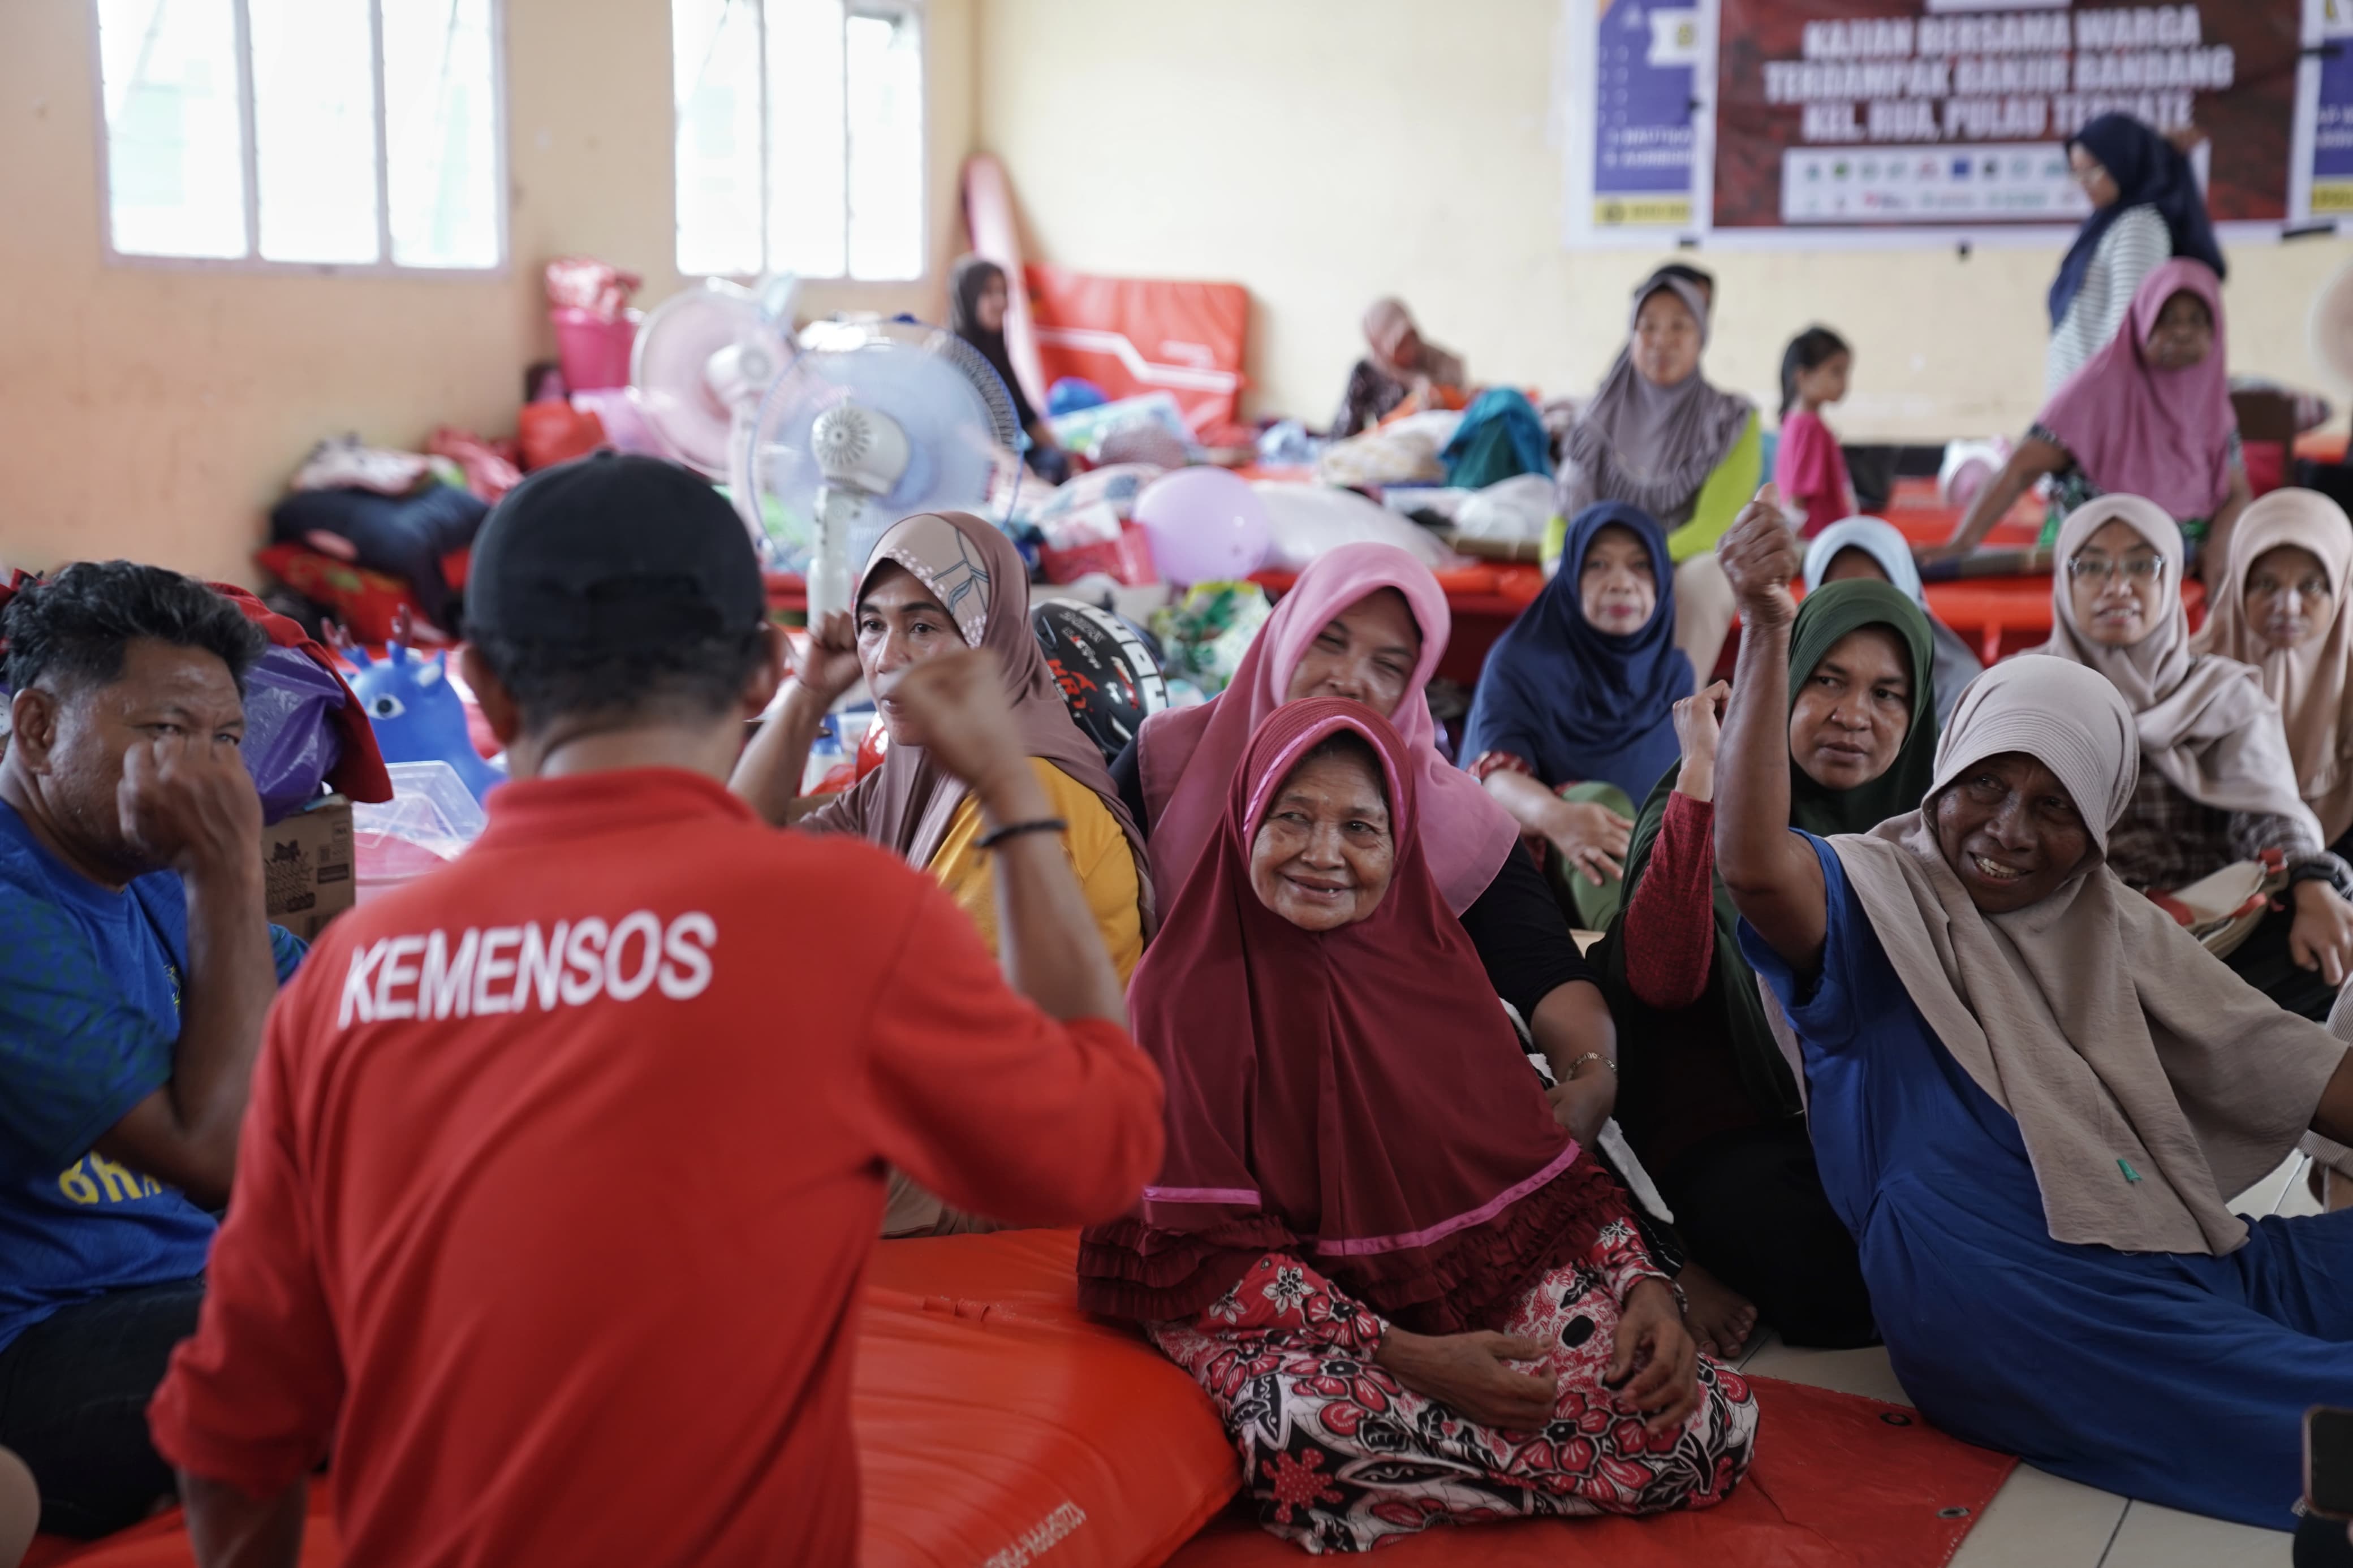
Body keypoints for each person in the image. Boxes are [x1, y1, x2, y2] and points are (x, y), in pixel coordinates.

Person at [146, 453, 1167, 1567]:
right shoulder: (844, 920)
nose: (895, 655)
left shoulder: (351, 975)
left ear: (479, 689)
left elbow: (237, 1422)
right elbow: (1097, 1153)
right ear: (760, 673)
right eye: (878, 626)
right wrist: (1014, 801)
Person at [1712, 489, 2353, 1530]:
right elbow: (1750, 865)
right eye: (1985, 785)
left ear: (2099, 826)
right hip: (1997, 1294)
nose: (2006, 830)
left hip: (2159, 1237)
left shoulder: (2111, 920)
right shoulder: (1877, 890)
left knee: (2298, 1279)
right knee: (2300, 1395)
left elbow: (2295, 1068)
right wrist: (1768, 628)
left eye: (2054, 805)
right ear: (1945, 769)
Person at [1078, 699, 1756, 1553]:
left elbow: (1540, 1172)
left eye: (1361, 828)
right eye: (1292, 819)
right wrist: (1412, 1357)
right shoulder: (1180, 996)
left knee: (1709, 1417)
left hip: (1449, 1274)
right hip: (1266, 1314)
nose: (1324, 854)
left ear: (1400, 845)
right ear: (1245, 821)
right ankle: (1458, 1461)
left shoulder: (1437, 972)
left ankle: (1396, 1487)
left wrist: (1641, 1286)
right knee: (1302, 1429)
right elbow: (1207, 1259)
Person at [731, 509, 1155, 1237]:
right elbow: (730, 857)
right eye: (871, 626)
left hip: (1004, 1155)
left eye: (924, 627)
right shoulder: (917, 768)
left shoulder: (1024, 787)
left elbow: (968, 1064)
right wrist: (807, 694)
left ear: (988, 643)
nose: (888, 657)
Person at [1115, 542, 1622, 1147]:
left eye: (1388, 665)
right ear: (1285, 633)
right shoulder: (1166, 761)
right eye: (1328, 641)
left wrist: (1592, 1073)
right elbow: (1084, 935)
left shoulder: (1453, 818)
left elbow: (1543, 968)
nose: (1348, 677)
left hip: (1363, 1122)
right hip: (1176, 1104)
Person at [0, 563, 305, 1539]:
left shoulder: (152, 873)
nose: (212, 776)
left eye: (226, 741)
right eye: (167, 734)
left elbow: (345, 1005)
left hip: (190, 1287)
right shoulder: (17, 907)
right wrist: (228, 872)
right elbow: (215, 1149)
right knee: (358, 1336)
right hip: (40, 1343)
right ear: (39, 728)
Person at [1603, 571, 1936, 1359]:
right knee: (1831, 1274)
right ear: (1779, 682)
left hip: (1856, 1116)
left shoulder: (1920, 821)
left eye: (1889, 694)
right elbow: (1661, 976)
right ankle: (1669, 1251)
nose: (1855, 716)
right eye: (1827, 680)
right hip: (1722, 1125)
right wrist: (1702, 780)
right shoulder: (1696, 794)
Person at [2030, 494, 2353, 1020]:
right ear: (2063, 580)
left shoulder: (2223, 693)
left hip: (2213, 933)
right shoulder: (2021, 691)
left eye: (2143, 564)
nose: (2118, 585)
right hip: (2059, 928)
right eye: (2090, 566)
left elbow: (2265, 813)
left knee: (2326, 937)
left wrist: (2309, 879)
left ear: (2175, 575)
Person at [1937, 259, 2248, 573]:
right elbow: (2020, 468)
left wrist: (2221, 547)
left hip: (2181, 574)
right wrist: (1962, 543)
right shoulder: (2099, 387)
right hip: (2089, 573)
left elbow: (2236, 492)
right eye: (2167, 319)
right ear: (2142, 321)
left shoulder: (2212, 402)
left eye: (2197, 321)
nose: (2182, 333)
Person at [1464, 503, 1688, 930]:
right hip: (1543, 860)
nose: (1621, 583)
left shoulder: (1674, 671)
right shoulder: (1521, 660)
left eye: (1640, 566)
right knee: (1598, 806)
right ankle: (1627, 951)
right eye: (1598, 565)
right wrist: (1559, 818)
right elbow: (1492, 778)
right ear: (1569, 577)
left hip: (1652, 865)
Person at [1551, 269, 1761, 685]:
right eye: (1647, 327)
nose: (1662, 340)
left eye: (1679, 326)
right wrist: (1563, 564)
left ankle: (1674, 720)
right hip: (1601, 560)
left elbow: (1715, 528)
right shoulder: (1593, 420)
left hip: (1685, 560)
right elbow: (1562, 516)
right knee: (1561, 578)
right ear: (1631, 336)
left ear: (1701, 335)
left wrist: (1633, 567)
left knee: (1707, 578)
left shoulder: (1731, 420)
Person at [2192, 489, 2353, 858]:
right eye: (2266, 584)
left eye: (2311, 586)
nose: (2288, 607)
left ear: (2341, 589)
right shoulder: (2188, 680)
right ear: (2238, 586)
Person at [2046, 114, 2226, 393]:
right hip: (2077, 407)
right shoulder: (2106, 225)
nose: (2084, 183)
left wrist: (2092, 407)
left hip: (2098, 407)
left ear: (2123, 162)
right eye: (2077, 173)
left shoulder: (2139, 226)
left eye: (2093, 170)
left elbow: (2128, 330)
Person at [1805, 516, 1984, 725]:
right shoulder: (1794, 673)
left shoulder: (1957, 687)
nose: (1853, 720)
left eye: (1885, 694)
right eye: (1840, 601)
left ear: (1905, 594)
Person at [947, 254, 1068, 482]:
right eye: (989, 293)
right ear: (968, 296)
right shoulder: (950, 355)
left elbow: (1025, 415)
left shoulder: (995, 350)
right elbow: (959, 424)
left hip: (1003, 459)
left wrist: (1068, 458)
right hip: (967, 468)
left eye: (1003, 292)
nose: (1000, 301)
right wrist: (1006, 461)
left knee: (1054, 463)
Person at [1331, 297, 1469, 439]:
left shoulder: (1441, 362)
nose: (1410, 350)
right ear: (1379, 345)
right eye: (1399, 345)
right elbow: (1344, 434)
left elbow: (1463, 413)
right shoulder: (1367, 372)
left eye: (1412, 338)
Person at [1774, 327, 1854, 537]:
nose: (1845, 383)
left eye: (1846, 372)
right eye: (1836, 372)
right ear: (1803, 376)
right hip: (1821, 542)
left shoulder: (1792, 422)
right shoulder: (1811, 428)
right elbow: (1797, 501)